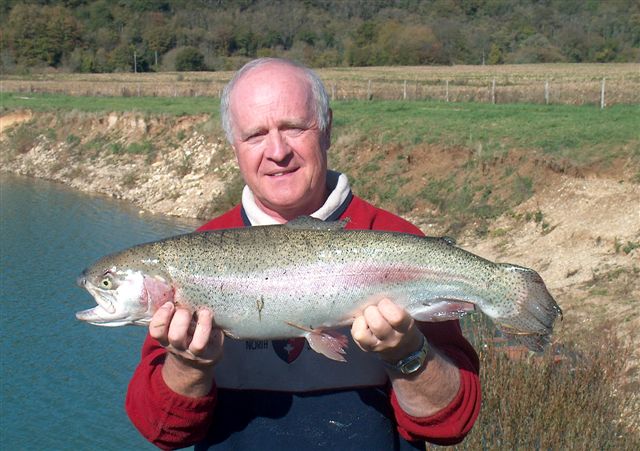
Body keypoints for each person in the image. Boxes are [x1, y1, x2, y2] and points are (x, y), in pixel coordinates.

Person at [126, 58, 480, 450]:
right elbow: (161, 431)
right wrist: (189, 364)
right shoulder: (193, 257)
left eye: (294, 128)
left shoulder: (397, 243)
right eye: (255, 135)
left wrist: (407, 353)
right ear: (235, 149)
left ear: (326, 129)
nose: (277, 151)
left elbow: (451, 425)